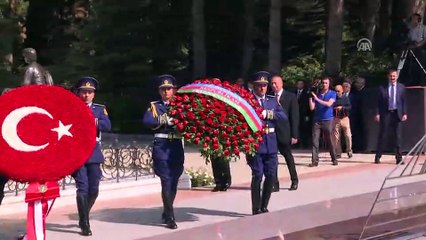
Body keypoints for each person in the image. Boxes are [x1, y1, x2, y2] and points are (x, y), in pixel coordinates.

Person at [142, 74, 184, 229]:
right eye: (163, 89)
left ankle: (167, 210)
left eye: (169, 89)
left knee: (174, 180)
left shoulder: (180, 105)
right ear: (159, 91)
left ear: (174, 90)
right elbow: (147, 121)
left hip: (176, 145)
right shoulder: (154, 106)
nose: (166, 92)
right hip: (162, 144)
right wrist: (163, 120)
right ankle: (170, 216)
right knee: (166, 179)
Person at [72, 77, 111, 236]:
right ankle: (84, 223)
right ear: (79, 93)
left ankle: (84, 214)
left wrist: (92, 121)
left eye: (89, 92)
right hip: (77, 151)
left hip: (93, 151)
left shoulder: (100, 109)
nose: (86, 95)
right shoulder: (72, 108)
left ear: (93, 94)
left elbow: (107, 125)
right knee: (82, 187)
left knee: (94, 189)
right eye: (83, 92)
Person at [247, 71, 287, 215]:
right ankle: (255, 207)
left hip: (270, 143)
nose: (262, 88)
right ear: (254, 86)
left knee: (271, 175)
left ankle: (264, 205)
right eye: (259, 86)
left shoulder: (271, 101)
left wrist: (269, 114)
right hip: (256, 143)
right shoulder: (248, 101)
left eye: (264, 86)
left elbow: (283, 116)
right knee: (257, 175)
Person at [270, 75, 299, 191]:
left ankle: (294, 180)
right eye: (272, 83)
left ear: (281, 84)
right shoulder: (269, 97)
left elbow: (295, 117)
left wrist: (294, 135)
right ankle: (274, 183)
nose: (273, 85)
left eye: (275, 83)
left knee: (288, 156)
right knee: (273, 159)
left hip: (285, 132)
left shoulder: (290, 97)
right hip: (272, 133)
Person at [375, 69, 407, 164]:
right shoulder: (382, 88)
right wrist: (377, 113)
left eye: (394, 76)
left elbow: (404, 101)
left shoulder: (401, 87)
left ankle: (399, 158)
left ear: (397, 77)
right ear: (388, 77)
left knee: (398, 136)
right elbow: (378, 103)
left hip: (397, 113)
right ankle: (378, 156)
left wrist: (404, 113)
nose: (392, 78)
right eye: (391, 76)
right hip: (386, 113)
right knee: (383, 135)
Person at [309, 77, 338, 167]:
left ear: (329, 84)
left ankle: (334, 158)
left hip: (328, 119)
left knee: (330, 140)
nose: (324, 84)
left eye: (326, 83)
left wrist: (317, 99)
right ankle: (314, 161)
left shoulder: (332, 93)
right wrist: (310, 97)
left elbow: (329, 104)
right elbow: (312, 107)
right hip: (317, 120)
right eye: (323, 83)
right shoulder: (317, 94)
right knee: (315, 141)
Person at [332, 85, 352, 159]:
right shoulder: (333, 98)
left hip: (345, 118)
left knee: (348, 136)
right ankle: (338, 152)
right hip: (336, 118)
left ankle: (349, 150)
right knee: (336, 137)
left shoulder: (345, 98)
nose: (337, 93)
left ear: (342, 91)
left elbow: (349, 107)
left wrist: (342, 108)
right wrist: (335, 109)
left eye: (338, 91)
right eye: (336, 91)